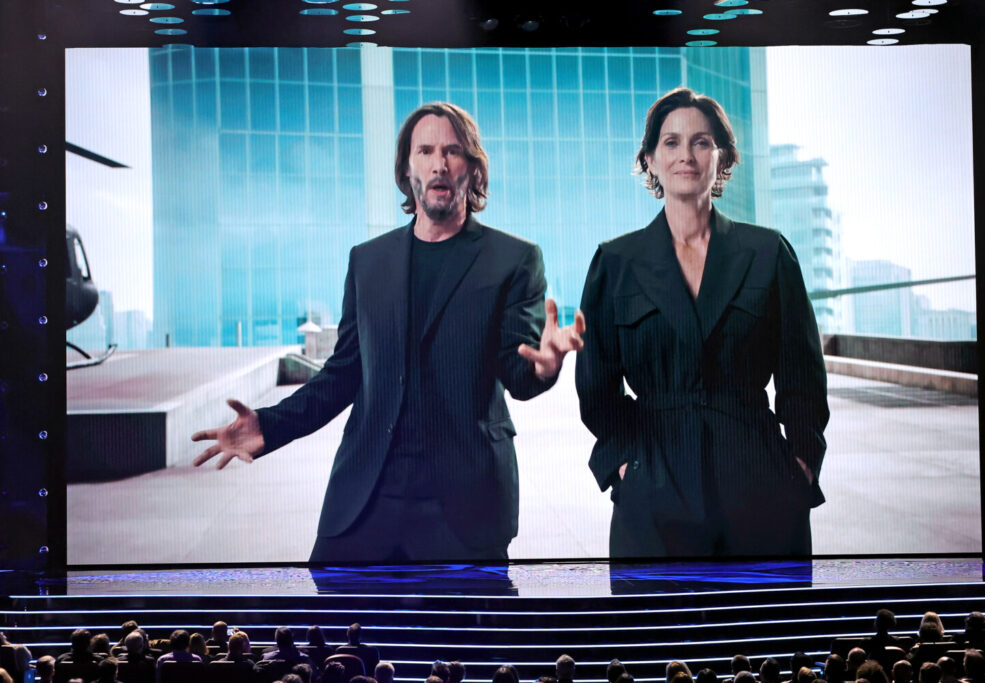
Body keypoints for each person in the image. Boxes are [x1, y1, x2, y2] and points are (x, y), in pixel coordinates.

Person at [192, 101, 584, 562]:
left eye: (454, 151)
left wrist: (545, 367)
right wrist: (269, 427)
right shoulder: (367, 262)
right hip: (365, 500)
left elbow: (519, 374)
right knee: (340, 631)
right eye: (426, 151)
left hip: (464, 504)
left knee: (466, 636)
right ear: (406, 169)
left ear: (473, 170)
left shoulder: (513, 260)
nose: (439, 163)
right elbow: (341, 375)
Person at [575, 86, 828, 558]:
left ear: (722, 157)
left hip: (760, 488)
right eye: (670, 142)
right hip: (653, 492)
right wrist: (624, 467)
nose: (685, 155)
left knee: (768, 631)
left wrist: (800, 464)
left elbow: (803, 377)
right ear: (649, 159)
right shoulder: (616, 263)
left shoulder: (768, 253)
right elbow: (596, 388)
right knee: (657, 632)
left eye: (701, 142)